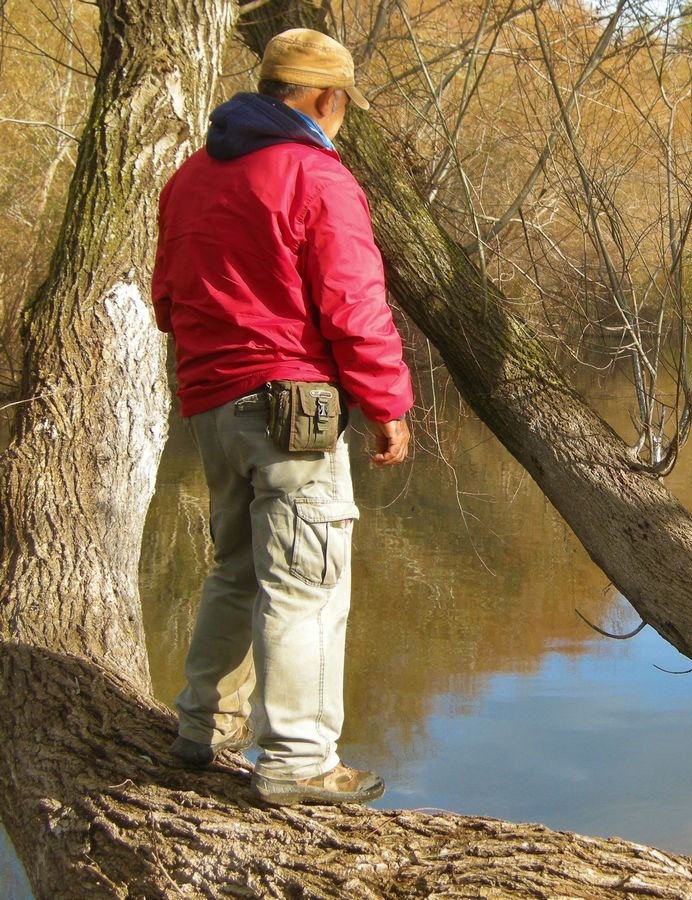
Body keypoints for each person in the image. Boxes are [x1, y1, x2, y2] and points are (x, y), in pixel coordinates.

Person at [152, 28, 413, 806]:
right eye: (342, 108)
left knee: (234, 570)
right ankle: (299, 762)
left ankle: (202, 727)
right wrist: (387, 404)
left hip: (209, 401)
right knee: (306, 584)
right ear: (325, 99)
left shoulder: (188, 179)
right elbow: (354, 306)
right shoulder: (317, 176)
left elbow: (169, 304)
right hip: (292, 406)